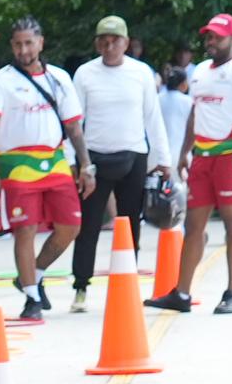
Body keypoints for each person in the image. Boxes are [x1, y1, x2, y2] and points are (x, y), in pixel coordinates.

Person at [151, 14, 232, 315]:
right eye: (208, 36)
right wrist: (184, 152)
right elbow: (196, 113)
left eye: (217, 37)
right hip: (202, 158)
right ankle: (181, 293)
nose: (211, 42)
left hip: (231, 156)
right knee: (194, 226)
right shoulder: (200, 72)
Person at [0, 21, 84, 318]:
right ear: (12, 46)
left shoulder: (60, 78)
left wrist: (86, 164)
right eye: (17, 44)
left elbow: (74, 127)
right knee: (24, 229)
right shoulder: (2, 80)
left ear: (40, 43)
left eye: (28, 43)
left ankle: (34, 274)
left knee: (71, 227)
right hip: (16, 163)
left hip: (55, 160)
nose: (23, 50)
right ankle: (31, 298)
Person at [65, 15, 164, 301]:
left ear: (126, 43)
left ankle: (127, 284)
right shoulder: (84, 74)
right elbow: (74, 121)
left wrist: (163, 158)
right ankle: (81, 286)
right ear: (97, 44)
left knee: (130, 222)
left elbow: (152, 116)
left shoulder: (141, 72)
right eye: (104, 42)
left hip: (134, 155)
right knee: (89, 225)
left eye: (115, 42)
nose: (109, 47)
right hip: (94, 156)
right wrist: (76, 160)